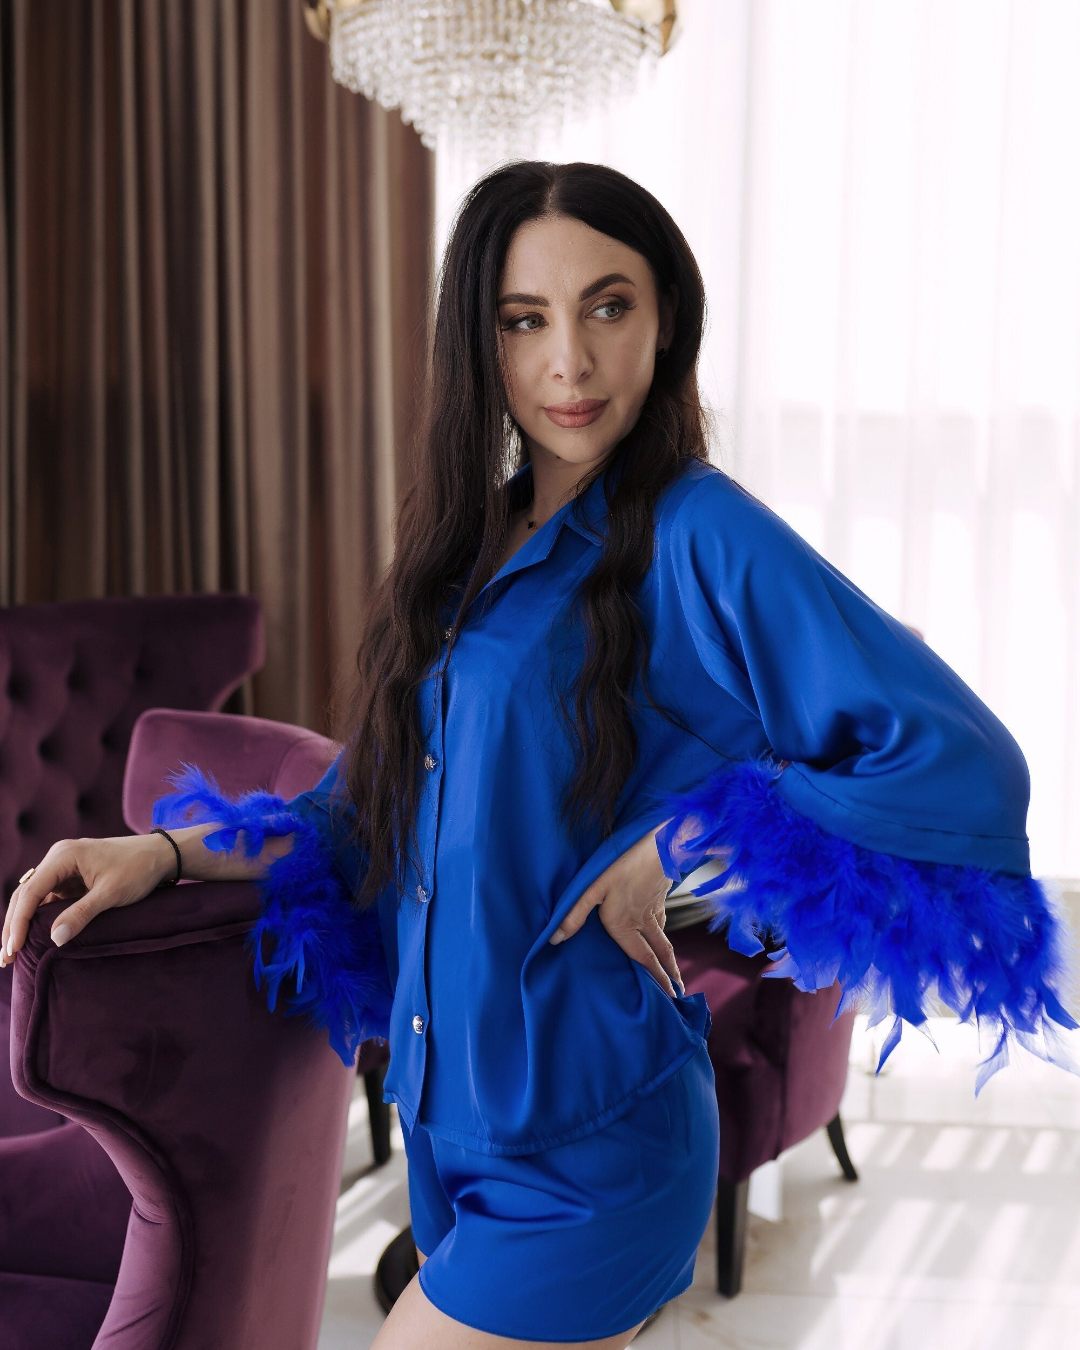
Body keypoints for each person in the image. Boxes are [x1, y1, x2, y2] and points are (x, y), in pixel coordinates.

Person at [2, 161, 1074, 1350]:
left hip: (595, 1147)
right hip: (448, 1137)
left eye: (608, 307)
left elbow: (963, 761)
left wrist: (685, 842)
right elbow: (362, 817)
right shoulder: (473, 543)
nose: (569, 360)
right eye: (526, 320)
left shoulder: (703, 532)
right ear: (485, 343)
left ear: (667, 321)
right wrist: (161, 851)